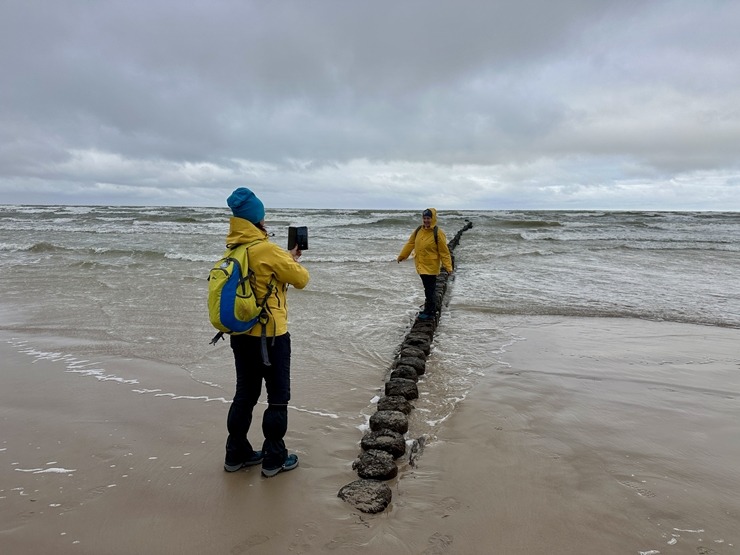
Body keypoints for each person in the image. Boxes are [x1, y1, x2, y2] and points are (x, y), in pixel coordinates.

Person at [222, 187, 310, 477]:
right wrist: (292, 261)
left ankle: (236, 454)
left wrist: (284, 258)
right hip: (272, 336)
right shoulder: (268, 250)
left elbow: (261, 272)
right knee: (277, 398)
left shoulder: (235, 249)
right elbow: (301, 279)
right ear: (257, 218)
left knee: (244, 395)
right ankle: (274, 458)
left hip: (240, 334)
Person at [397, 208, 454, 320]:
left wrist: (448, 267)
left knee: (429, 289)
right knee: (428, 288)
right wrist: (402, 256)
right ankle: (429, 309)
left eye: (428, 218)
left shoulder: (438, 232)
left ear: (433, 219)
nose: (426, 220)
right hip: (420, 264)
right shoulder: (419, 230)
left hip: (431, 266)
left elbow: (444, 252)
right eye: (424, 218)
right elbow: (410, 243)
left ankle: (430, 312)